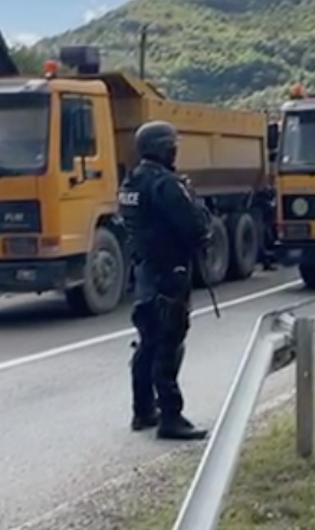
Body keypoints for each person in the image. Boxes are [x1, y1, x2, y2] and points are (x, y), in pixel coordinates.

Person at [118, 120, 211, 441]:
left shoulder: (131, 183)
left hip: (145, 272)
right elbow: (196, 227)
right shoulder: (165, 184)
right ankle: (171, 415)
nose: (175, 151)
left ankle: (143, 410)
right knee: (168, 344)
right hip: (169, 272)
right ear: (163, 148)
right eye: (172, 145)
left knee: (147, 343)